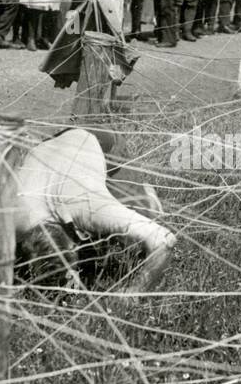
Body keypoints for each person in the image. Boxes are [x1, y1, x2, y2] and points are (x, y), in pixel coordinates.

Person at [14, 127, 175, 297]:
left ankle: (146, 194)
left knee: (138, 242)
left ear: (73, 247)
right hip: (54, 142)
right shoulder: (12, 220)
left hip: (101, 141)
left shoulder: (89, 209)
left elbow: (164, 240)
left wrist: (134, 293)